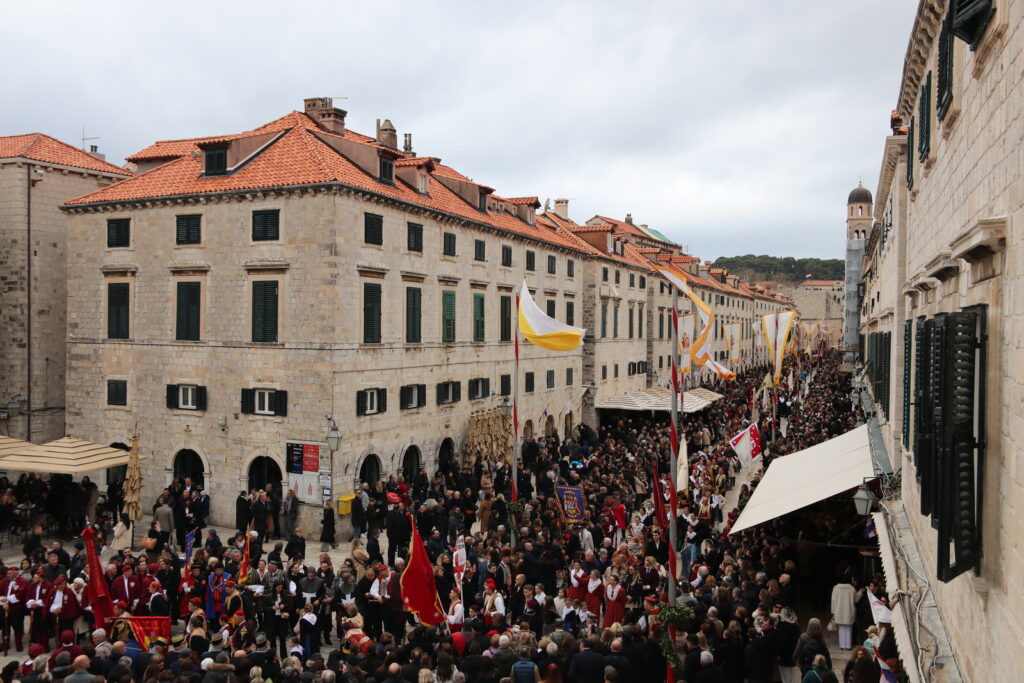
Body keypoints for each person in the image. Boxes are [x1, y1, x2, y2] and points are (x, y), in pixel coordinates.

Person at [831, 577, 857, 650]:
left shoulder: (835, 588)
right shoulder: (852, 589)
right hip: (849, 612)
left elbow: (833, 601)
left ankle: (842, 646)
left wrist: (833, 612)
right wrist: (860, 593)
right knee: (849, 629)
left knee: (841, 629)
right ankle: (848, 646)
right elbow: (856, 600)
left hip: (839, 612)